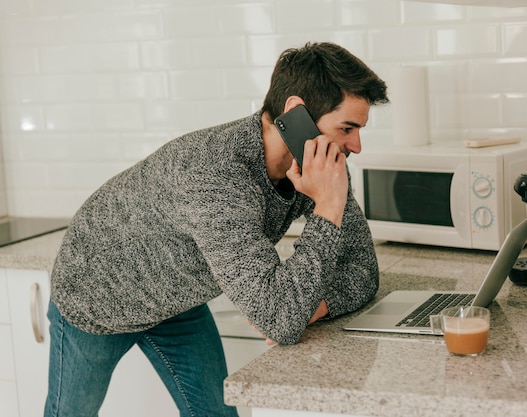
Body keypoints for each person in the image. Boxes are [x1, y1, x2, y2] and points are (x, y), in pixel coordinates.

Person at [44, 41, 389, 417]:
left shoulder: (322, 162)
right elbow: (281, 318)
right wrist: (327, 207)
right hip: (96, 291)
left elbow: (363, 272)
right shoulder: (216, 176)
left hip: (178, 298)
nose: (356, 145)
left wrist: (317, 306)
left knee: (218, 414)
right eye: (348, 127)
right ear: (297, 113)